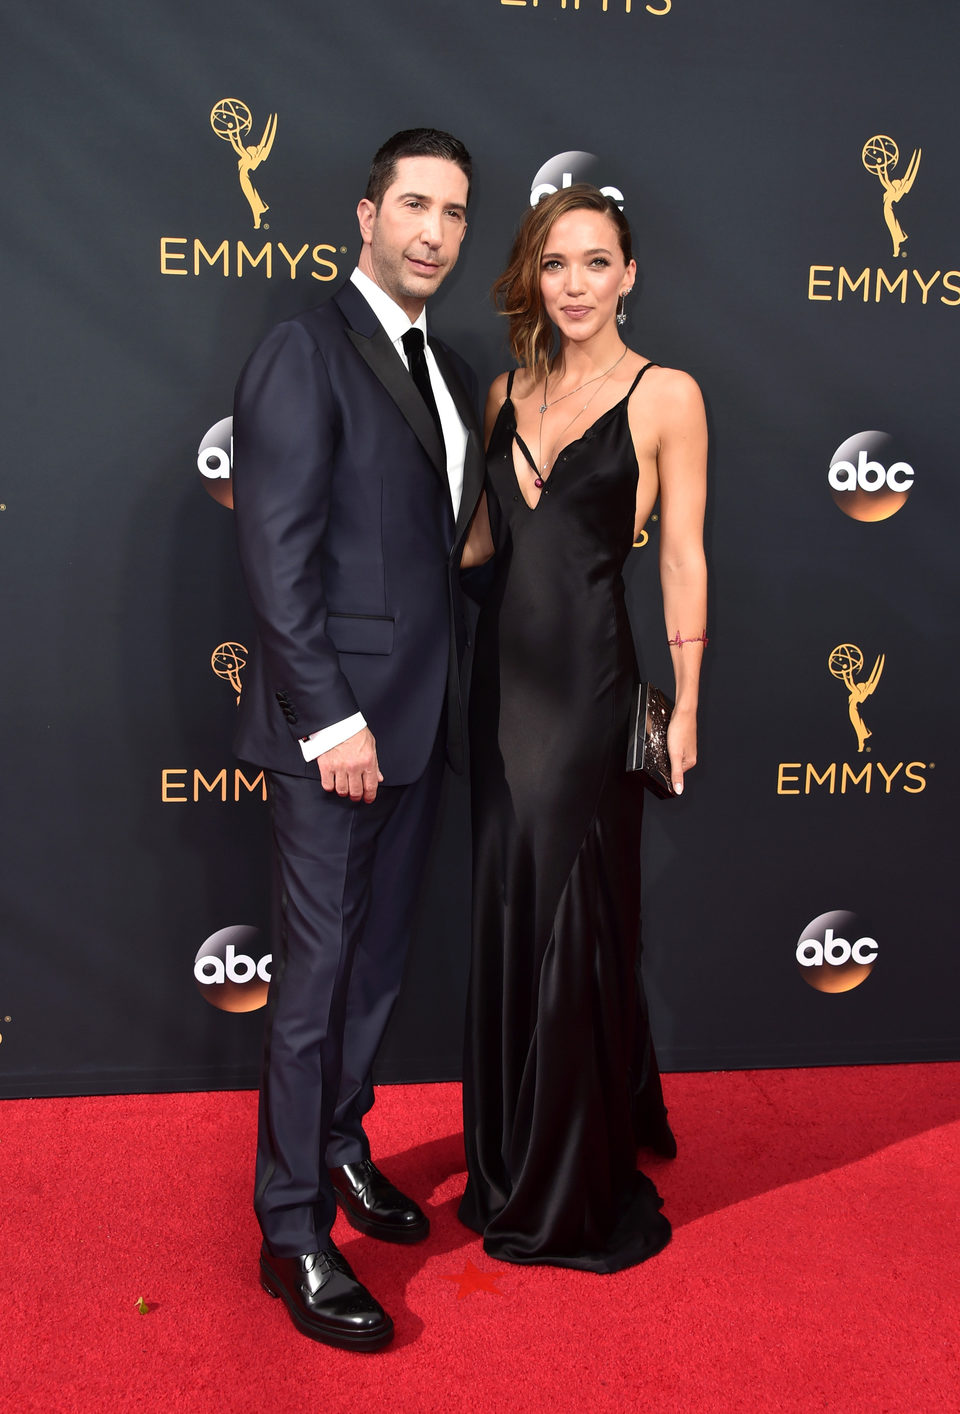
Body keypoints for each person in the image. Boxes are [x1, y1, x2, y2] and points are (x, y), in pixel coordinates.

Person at [231, 129, 484, 1349]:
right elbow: (276, 556)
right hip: (335, 732)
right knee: (317, 982)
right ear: (368, 215)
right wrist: (330, 715)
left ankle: (339, 1150)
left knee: (376, 969)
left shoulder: (445, 365)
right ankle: (289, 1232)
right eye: (416, 206)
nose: (435, 231)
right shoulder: (305, 347)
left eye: (455, 214)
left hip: (420, 724)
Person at [458, 184, 707, 1272]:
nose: (574, 285)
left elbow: (686, 556)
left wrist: (689, 704)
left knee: (573, 915)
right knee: (513, 906)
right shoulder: (502, 390)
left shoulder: (666, 396)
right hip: (499, 692)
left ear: (630, 275)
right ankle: (510, 1149)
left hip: (595, 689)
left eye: (596, 263)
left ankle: (565, 1175)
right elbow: (472, 549)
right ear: (533, 273)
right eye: (555, 264)